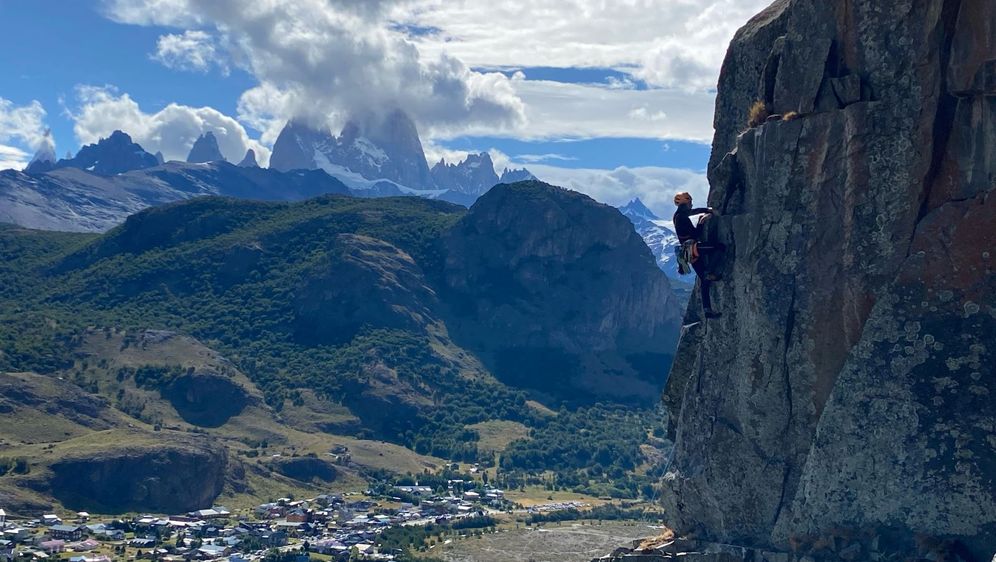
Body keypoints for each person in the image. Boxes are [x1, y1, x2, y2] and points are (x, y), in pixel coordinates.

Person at [673, 192, 723, 318]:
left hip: (688, 254)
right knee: (719, 247)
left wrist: (706, 211)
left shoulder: (678, 216)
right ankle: (709, 272)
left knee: (705, 281)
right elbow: (695, 235)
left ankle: (707, 311)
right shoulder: (682, 217)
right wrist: (701, 222)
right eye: (690, 202)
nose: (691, 204)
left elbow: (692, 212)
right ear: (686, 203)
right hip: (693, 248)